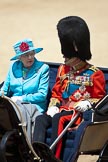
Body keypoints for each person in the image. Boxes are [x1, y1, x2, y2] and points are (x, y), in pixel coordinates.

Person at [33, 16, 106, 159]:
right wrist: (53, 106)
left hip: (77, 115)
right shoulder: (62, 70)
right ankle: (36, 152)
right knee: (41, 119)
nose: (64, 58)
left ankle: (54, 156)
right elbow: (56, 93)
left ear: (77, 51)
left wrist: (87, 103)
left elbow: (99, 98)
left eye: (68, 55)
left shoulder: (94, 74)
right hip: (61, 110)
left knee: (59, 119)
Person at [0, 38, 49, 141]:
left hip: (34, 106)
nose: (30, 57)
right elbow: (4, 90)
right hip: (14, 104)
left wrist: (21, 98)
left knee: (17, 113)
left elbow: (42, 95)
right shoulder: (13, 66)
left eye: (32, 53)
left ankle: (24, 145)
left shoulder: (43, 68)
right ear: (19, 57)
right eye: (26, 55)